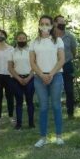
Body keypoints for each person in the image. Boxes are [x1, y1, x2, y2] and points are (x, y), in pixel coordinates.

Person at [30, 15, 66, 147]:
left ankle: (59, 136)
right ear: (39, 25)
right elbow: (32, 62)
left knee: (56, 106)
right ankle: (43, 137)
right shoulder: (34, 42)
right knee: (43, 107)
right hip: (39, 78)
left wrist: (50, 74)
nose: (44, 26)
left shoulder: (58, 41)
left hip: (55, 76)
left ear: (52, 26)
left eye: (47, 24)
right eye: (42, 23)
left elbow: (61, 59)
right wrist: (42, 75)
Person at [8, 32, 35, 130]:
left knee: (30, 102)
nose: (22, 40)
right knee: (19, 102)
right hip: (16, 80)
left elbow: (35, 66)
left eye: (23, 38)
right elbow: (10, 68)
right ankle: (18, 124)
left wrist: (28, 78)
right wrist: (19, 79)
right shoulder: (12, 52)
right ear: (16, 39)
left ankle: (31, 123)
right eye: (19, 38)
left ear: (26, 39)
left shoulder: (31, 51)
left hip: (30, 78)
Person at [54, 15, 78, 119]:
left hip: (67, 65)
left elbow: (74, 51)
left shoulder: (70, 36)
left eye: (64, 23)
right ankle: (56, 113)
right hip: (54, 66)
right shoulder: (51, 37)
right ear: (55, 23)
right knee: (55, 90)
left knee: (69, 90)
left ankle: (70, 113)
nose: (63, 24)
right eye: (60, 23)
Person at [0, 28, 15, 125]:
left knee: (10, 97)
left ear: (5, 36)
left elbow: (13, 63)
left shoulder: (11, 49)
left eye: (1, 34)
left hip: (9, 75)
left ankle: (11, 117)